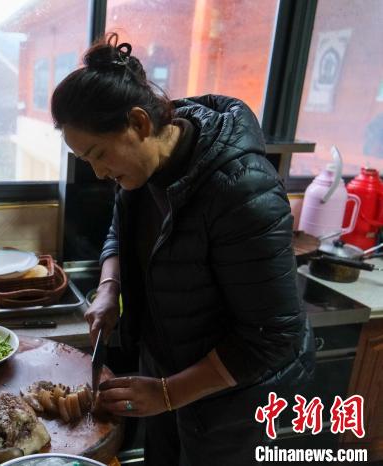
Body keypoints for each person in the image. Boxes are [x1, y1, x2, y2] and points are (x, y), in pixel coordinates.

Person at [51, 34, 314, 465]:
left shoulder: (243, 189)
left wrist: (169, 393)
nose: (98, 172)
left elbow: (273, 337)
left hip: (232, 400)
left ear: (139, 124)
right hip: (166, 371)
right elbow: (120, 229)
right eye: (86, 161)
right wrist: (109, 288)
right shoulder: (141, 169)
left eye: (99, 154)